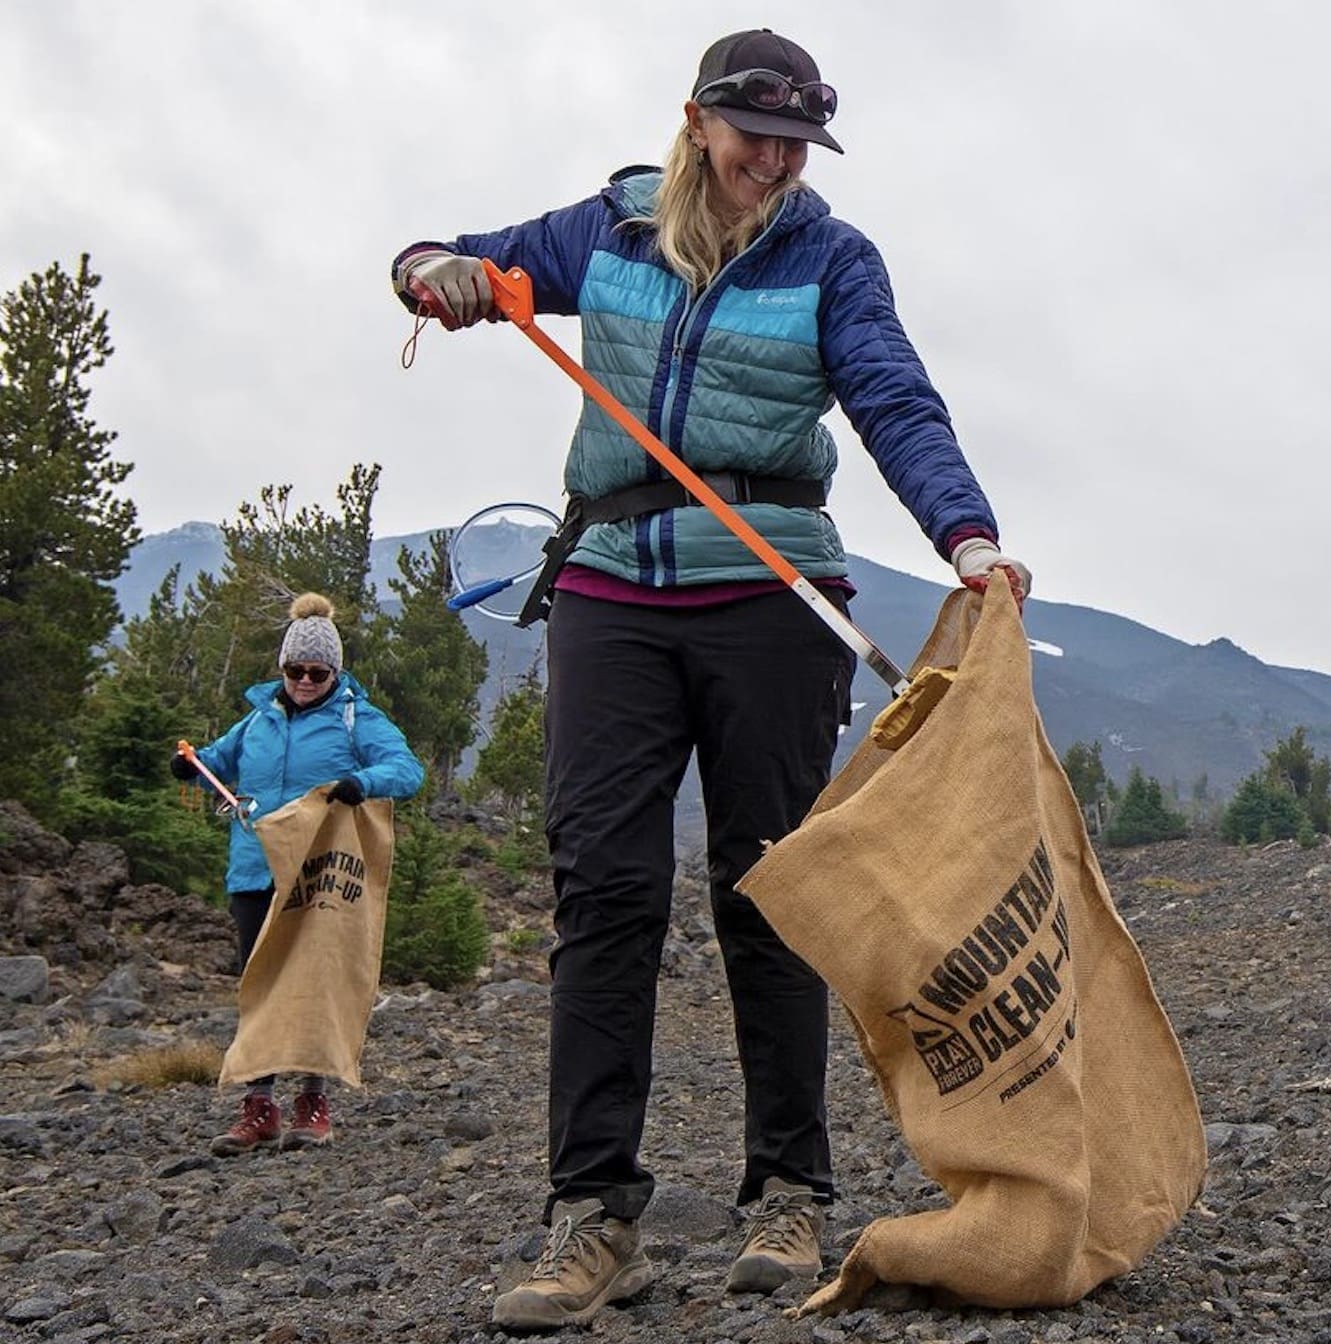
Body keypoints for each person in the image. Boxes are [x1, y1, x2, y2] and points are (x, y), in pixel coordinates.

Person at [391, 28, 1031, 1332]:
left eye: (798, 148)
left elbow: (895, 401)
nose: (775, 167)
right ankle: (592, 1219)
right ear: (697, 122)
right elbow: (436, 258)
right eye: (756, 140)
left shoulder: (834, 261)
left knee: (772, 895)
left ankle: (790, 1190)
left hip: (772, 596)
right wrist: (440, 276)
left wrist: (968, 538)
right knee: (605, 888)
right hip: (615, 590)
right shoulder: (613, 228)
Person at [171, 592, 425, 1157]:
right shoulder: (257, 720)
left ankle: (313, 1102)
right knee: (257, 984)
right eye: (295, 670)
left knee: (313, 982)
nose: (305, 681)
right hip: (254, 872)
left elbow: (406, 769)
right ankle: (258, 1108)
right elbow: (214, 760)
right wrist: (191, 765)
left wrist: (366, 783)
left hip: (318, 876)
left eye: (317, 672)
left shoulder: (359, 719)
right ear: (282, 668)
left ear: (334, 672)